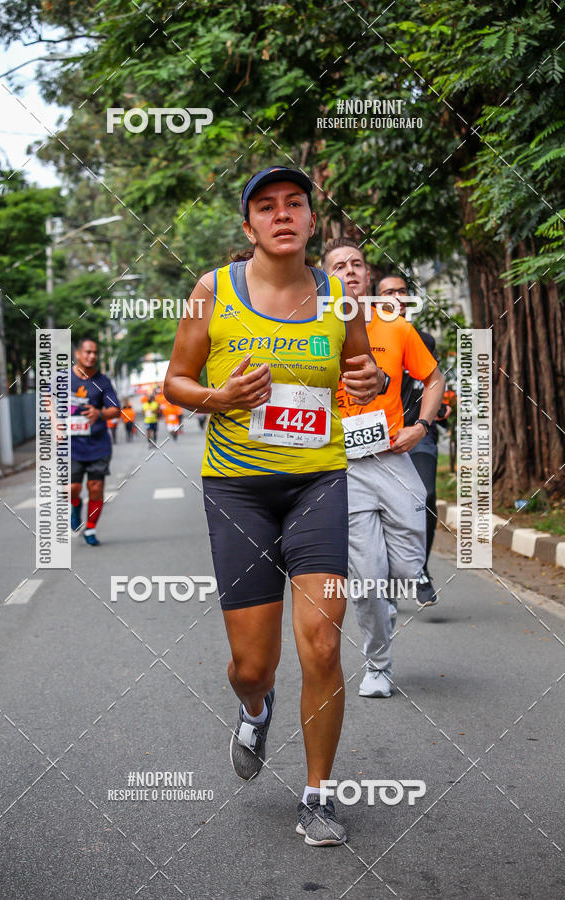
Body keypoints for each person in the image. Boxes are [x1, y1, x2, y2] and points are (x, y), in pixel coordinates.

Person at [164, 167, 384, 846]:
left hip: (319, 482)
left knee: (321, 642)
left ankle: (318, 795)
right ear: (249, 226)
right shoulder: (215, 290)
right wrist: (217, 398)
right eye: (267, 207)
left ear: (312, 221)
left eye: (295, 204)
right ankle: (254, 708)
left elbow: (362, 370)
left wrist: (369, 377)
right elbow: (176, 380)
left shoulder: (338, 300)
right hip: (237, 490)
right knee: (252, 665)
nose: (282, 214)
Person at [321, 238, 445, 698]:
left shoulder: (393, 325)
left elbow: (433, 379)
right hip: (344, 468)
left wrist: (421, 425)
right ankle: (378, 664)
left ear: (369, 276)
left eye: (357, 264)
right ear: (323, 276)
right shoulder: (312, 328)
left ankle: (386, 603)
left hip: (394, 460)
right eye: (338, 265)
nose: (350, 271)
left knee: (410, 566)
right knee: (367, 577)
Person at [396, 281, 451, 606]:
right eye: (387, 293)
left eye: (401, 291)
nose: (396, 298)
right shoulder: (361, 334)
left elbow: (431, 381)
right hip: (369, 435)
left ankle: (419, 570)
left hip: (418, 433)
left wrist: (432, 412)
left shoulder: (424, 341)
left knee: (426, 494)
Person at [69, 337, 120, 546]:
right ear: (78, 354)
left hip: (98, 445)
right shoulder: (63, 379)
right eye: (88, 352)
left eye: (95, 353)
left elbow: (116, 409)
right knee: (71, 488)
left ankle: (90, 528)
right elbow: (47, 398)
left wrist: (99, 413)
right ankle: (75, 505)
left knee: (96, 487)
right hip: (70, 446)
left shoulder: (102, 382)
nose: (92, 356)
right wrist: (54, 422)